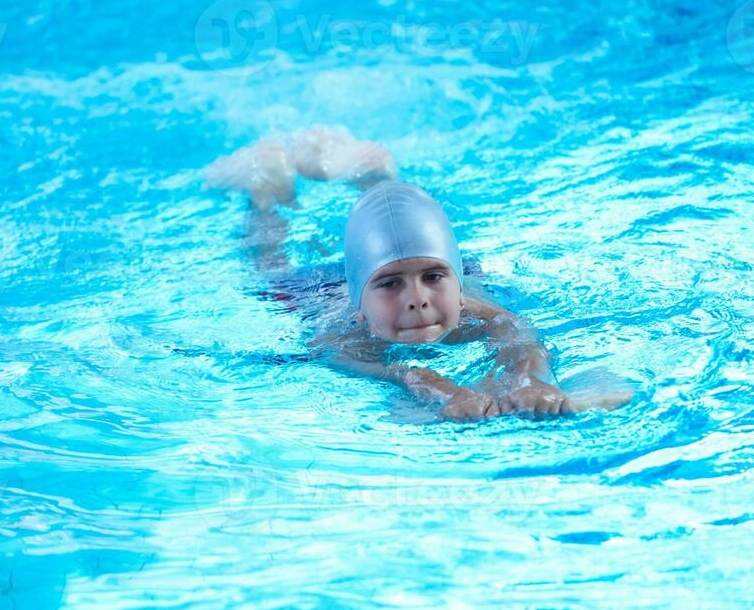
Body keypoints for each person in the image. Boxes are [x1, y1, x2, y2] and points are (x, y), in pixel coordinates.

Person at [204, 127, 632, 422]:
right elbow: (372, 367)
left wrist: (530, 379)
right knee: (268, 267)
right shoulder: (341, 334)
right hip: (319, 292)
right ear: (360, 306)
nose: (418, 298)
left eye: (434, 277)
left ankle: (375, 176)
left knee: (406, 226)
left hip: (385, 270)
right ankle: (261, 191)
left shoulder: (477, 311)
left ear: (458, 289)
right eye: (392, 284)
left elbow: (516, 334)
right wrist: (428, 382)